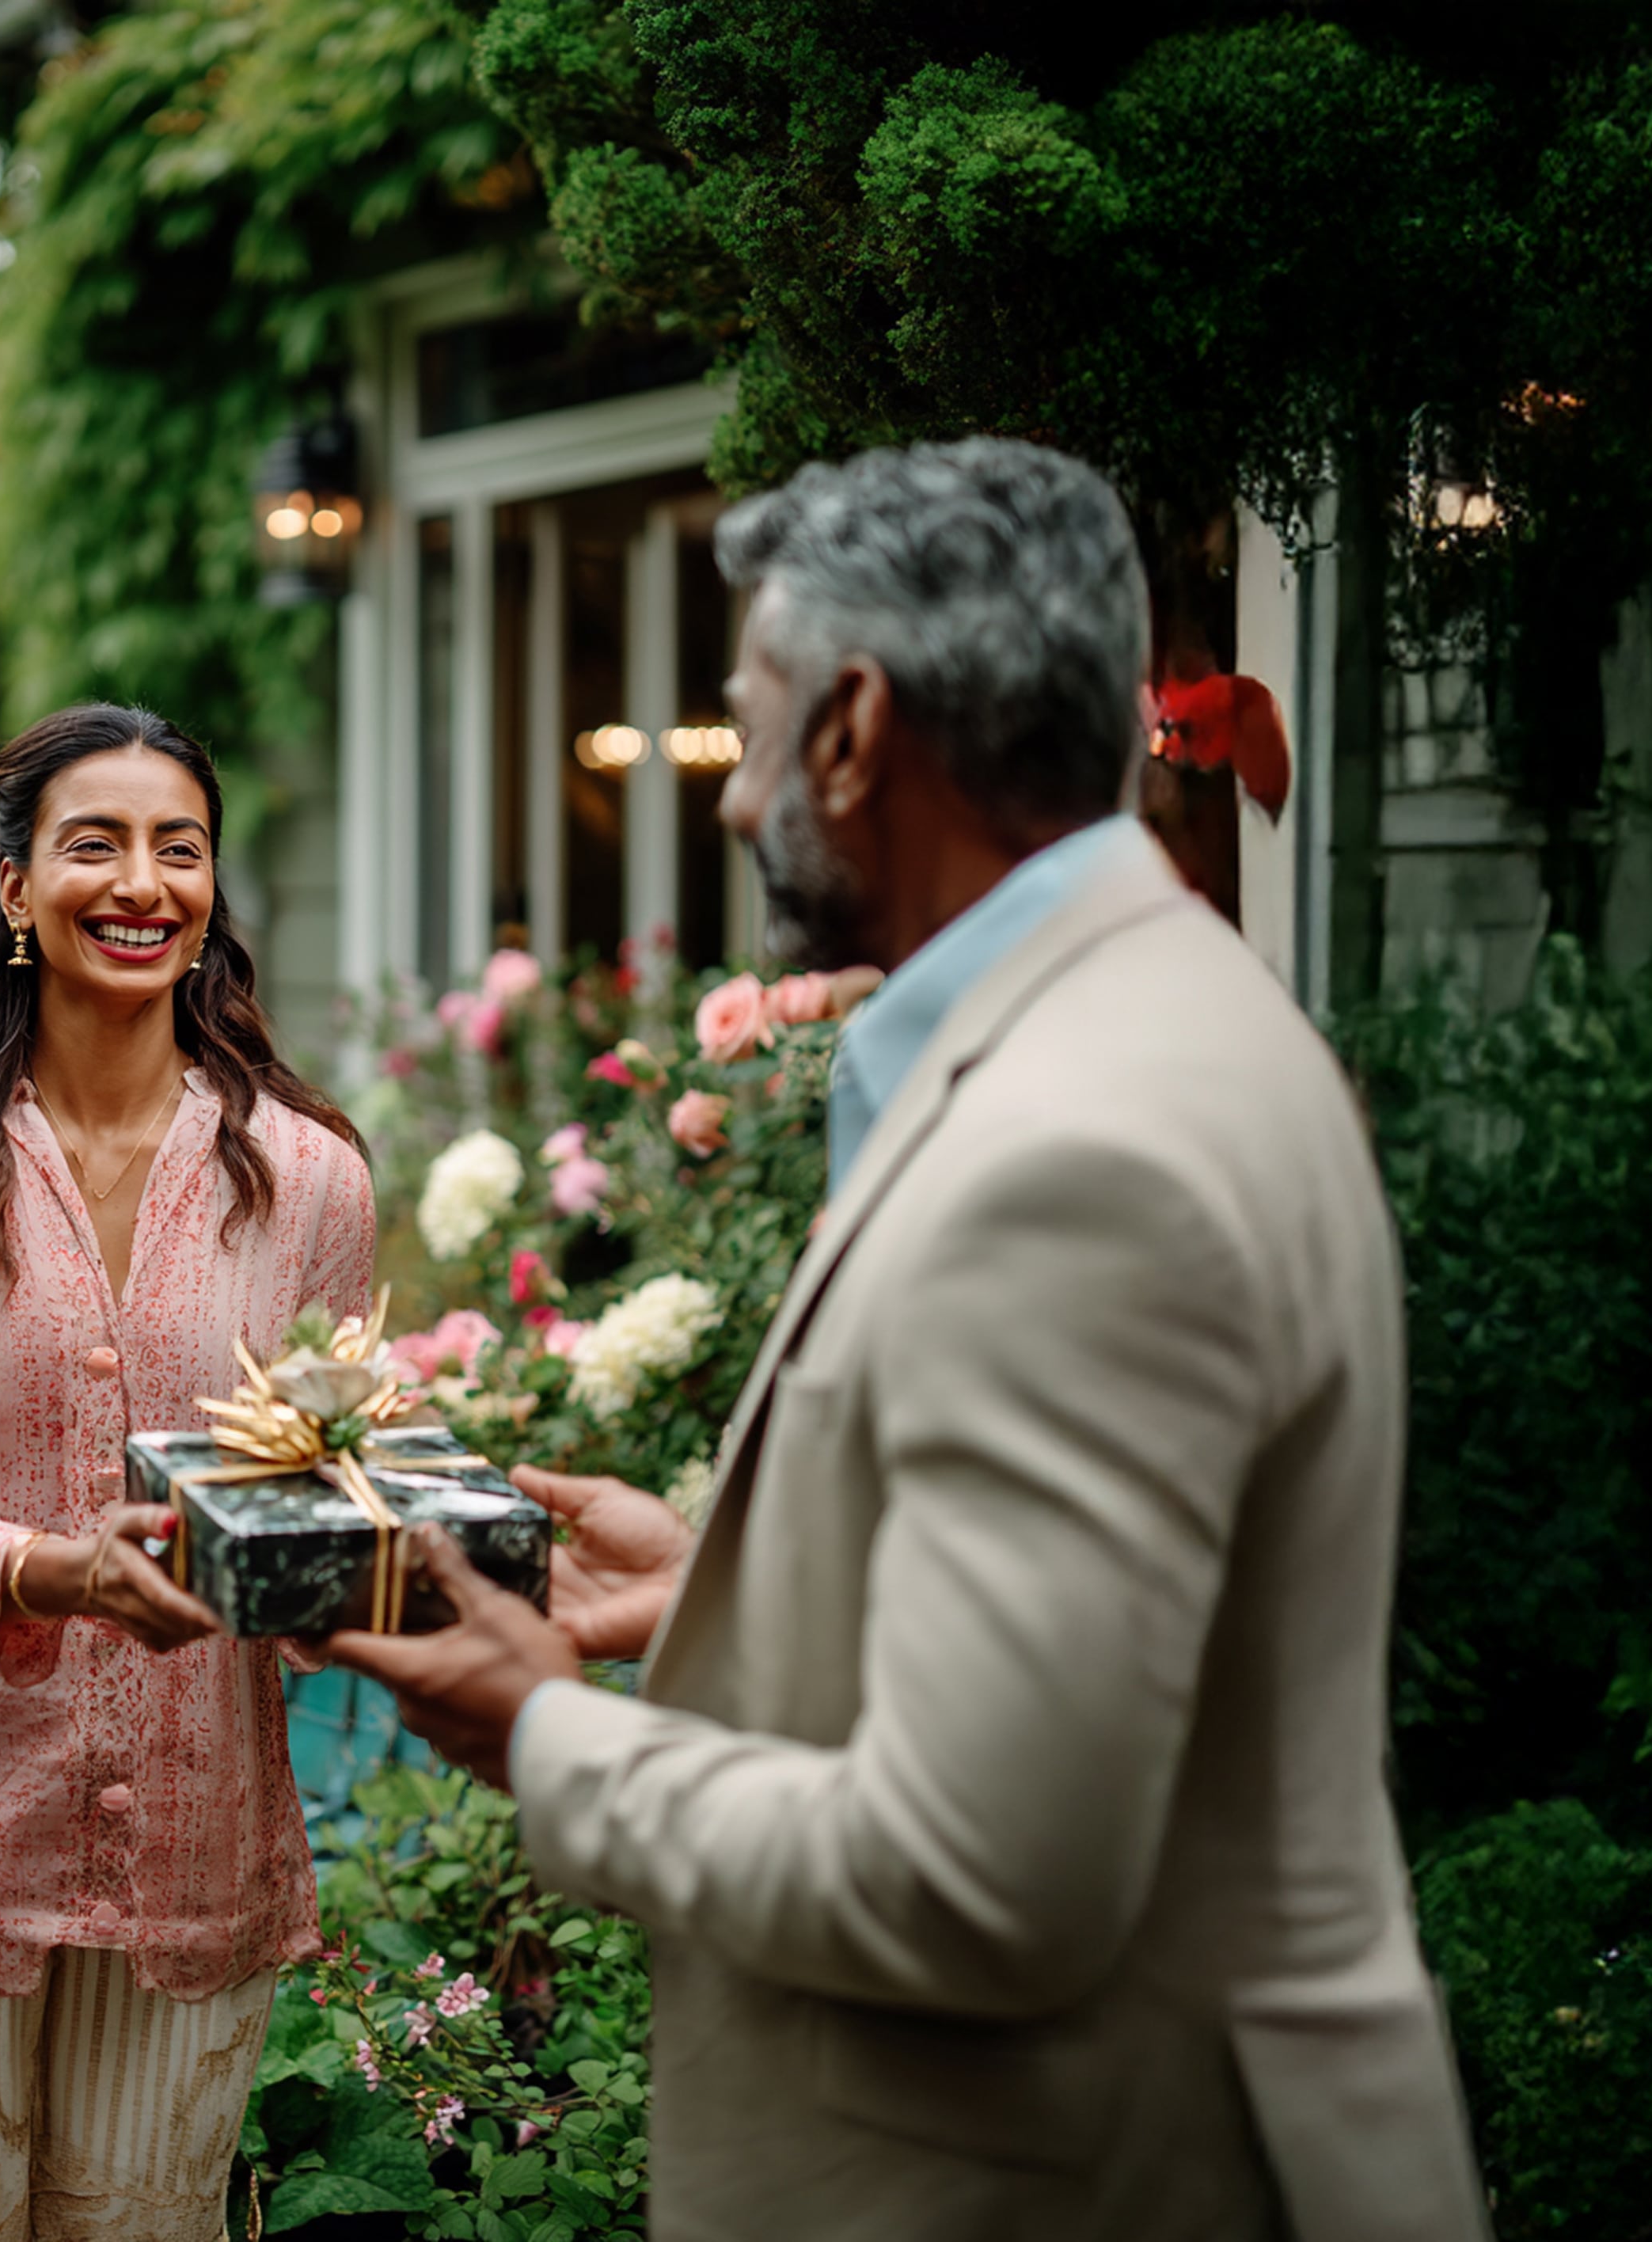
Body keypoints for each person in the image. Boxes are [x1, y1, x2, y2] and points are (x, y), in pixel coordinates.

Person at [332, 441, 1486, 2241]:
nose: (725, 799)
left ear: (852, 729)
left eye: (747, 714)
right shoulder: (1168, 1013)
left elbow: (982, 1887)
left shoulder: (1077, 1149)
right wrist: (727, 1574)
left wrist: (546, 1737)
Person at [0, 704, 374, 2240]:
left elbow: (324, 1497)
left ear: (207, 895)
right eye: (95, 843)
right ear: (13, 892)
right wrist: (50, 1573)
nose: (141, 882)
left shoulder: (313, 1181)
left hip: (201, 1841)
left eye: (176, 847)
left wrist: (374, 1569)